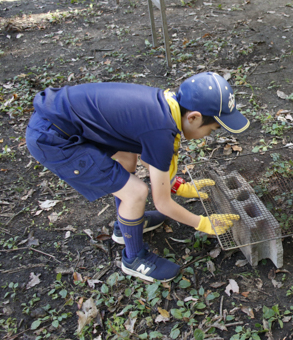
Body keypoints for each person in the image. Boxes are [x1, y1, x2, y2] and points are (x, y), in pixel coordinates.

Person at [26, 72, 250, 282]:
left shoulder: (167, 105)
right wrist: (202, 223)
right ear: (193, 117)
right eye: (210, 130)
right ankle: (134, 258)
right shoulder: (161, 133)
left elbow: (149, 160)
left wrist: (180, 187)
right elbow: (162, 203)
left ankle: (126, 226)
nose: (208, 136)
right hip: (55, 139)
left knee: (127, 158)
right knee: (136, 192)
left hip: (62, 119)